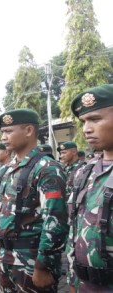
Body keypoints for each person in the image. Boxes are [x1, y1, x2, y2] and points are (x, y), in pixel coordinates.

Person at [0, 109, 68, 292]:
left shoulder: (47, 168)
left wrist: (43, 265)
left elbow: (55, 221)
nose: (4, 137)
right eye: (2, 132)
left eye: (9, 131)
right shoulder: (5, 170)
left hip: (31, 257)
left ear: (29, 130)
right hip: (5, 255)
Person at [67, 84, 113, 291]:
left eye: (95, 119)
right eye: (84, 121)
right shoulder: (84, 172)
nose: (86, 129)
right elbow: (74, 231)